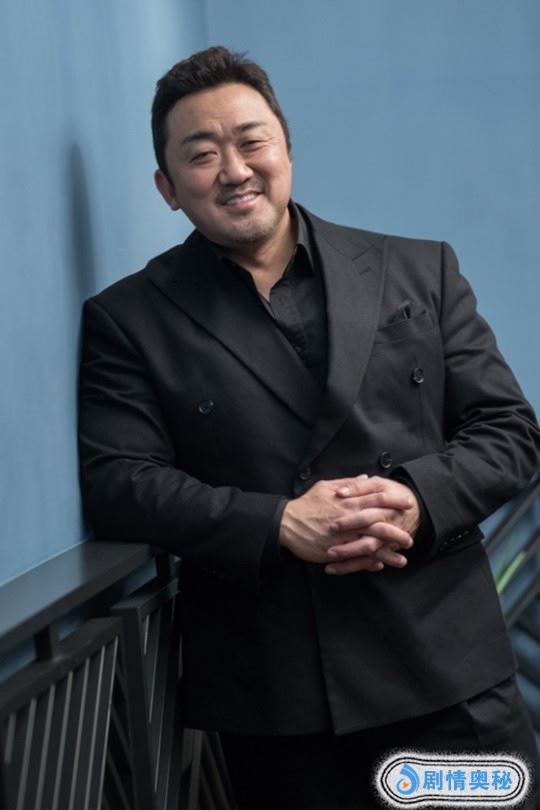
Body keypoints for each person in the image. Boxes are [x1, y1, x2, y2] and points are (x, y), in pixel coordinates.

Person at [78, 46, 540, 808]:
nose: (234, 170)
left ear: (287, 149)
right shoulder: (129, 319)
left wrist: (416, 499)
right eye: (202, 154)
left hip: (447, 671)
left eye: (251, 141)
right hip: (277, 696)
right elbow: (119, 482)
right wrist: (280, 523)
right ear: (167, 188)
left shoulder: (418, 269)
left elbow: (509, 429)